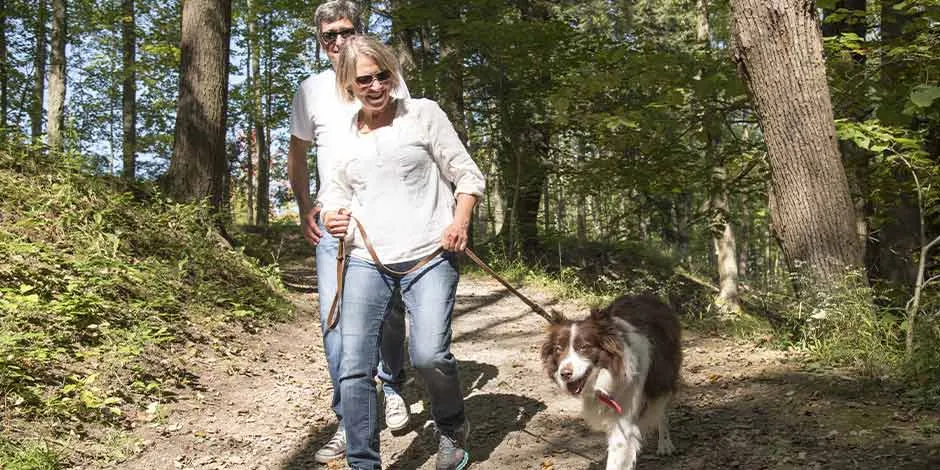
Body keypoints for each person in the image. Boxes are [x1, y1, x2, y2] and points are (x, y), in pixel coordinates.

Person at [320, 35, 485, 470]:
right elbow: (333, 198)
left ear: (393, 75)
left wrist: (459, 222)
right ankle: (363, 461)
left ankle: (451, 427)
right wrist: (332, 218)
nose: (376, 86)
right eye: (364, 80)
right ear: (348, 86)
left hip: (430, 254)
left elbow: (467, 177)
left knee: (429, 355)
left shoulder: (423, 114)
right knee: (354, 364)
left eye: (383, 76)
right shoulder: (343, 135)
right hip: (365, 259)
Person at [286, 1, 411, 464]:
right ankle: (349, 416)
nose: (337, 42)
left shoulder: (382, 77)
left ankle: (392, 384)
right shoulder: (311, 91)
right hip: (334, 220)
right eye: (328, 36)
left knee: (390, 314)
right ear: (319, 43)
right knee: (334, 322)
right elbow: (296, 158)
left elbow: (412, 138)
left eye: (345, 31)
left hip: (390, 219)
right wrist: (305, 210)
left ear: (360, 30)